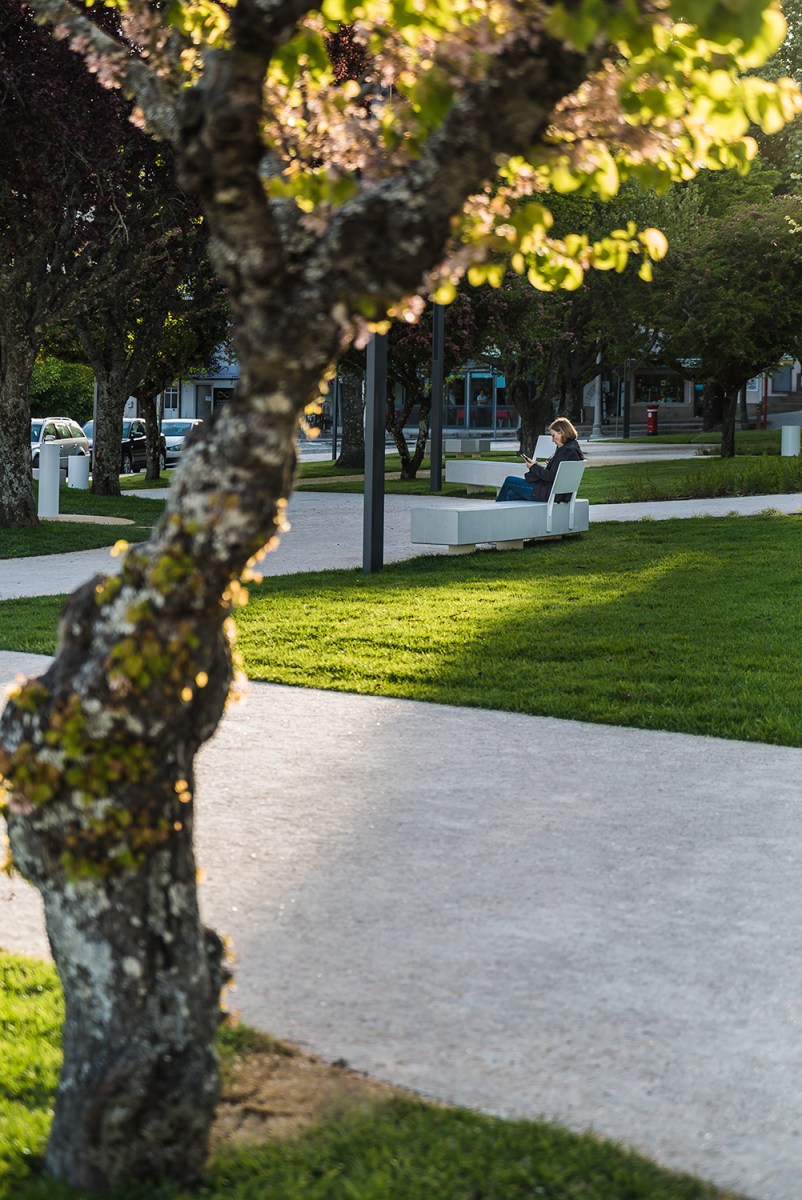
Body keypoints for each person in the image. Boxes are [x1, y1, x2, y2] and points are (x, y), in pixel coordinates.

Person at [496, 417, 584, 503]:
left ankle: (495, 510)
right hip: (559, 494)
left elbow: (550, 476)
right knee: (511, 494)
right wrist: (537, 466)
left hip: (549, 493)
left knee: (510, 480)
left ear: (561, 432)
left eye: (553, 436)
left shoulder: (565, 451)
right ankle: (501, 511)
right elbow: (555, 473)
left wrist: (533, 467)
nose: (553, 440)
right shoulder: (573, 448)